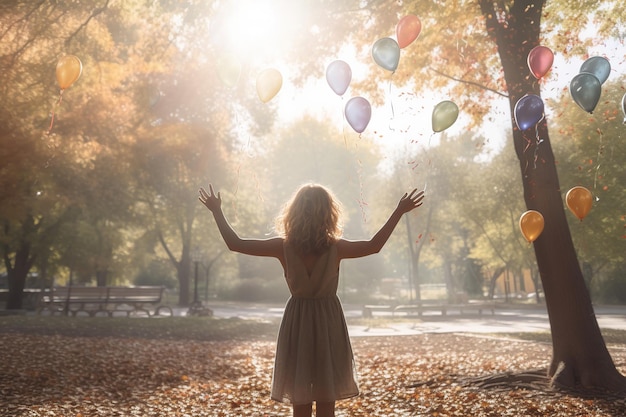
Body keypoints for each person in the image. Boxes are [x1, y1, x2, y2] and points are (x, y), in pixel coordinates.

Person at [199, 183, 424, 417]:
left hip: (298, 321)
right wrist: (399, 211)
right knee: (327, 396)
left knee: (301, 396)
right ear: (329, 213)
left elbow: (235, 243)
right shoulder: (337, 248)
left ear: (294, 212)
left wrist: (217, 211)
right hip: (329, 321)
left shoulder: (282, 246)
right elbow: (374, 246)